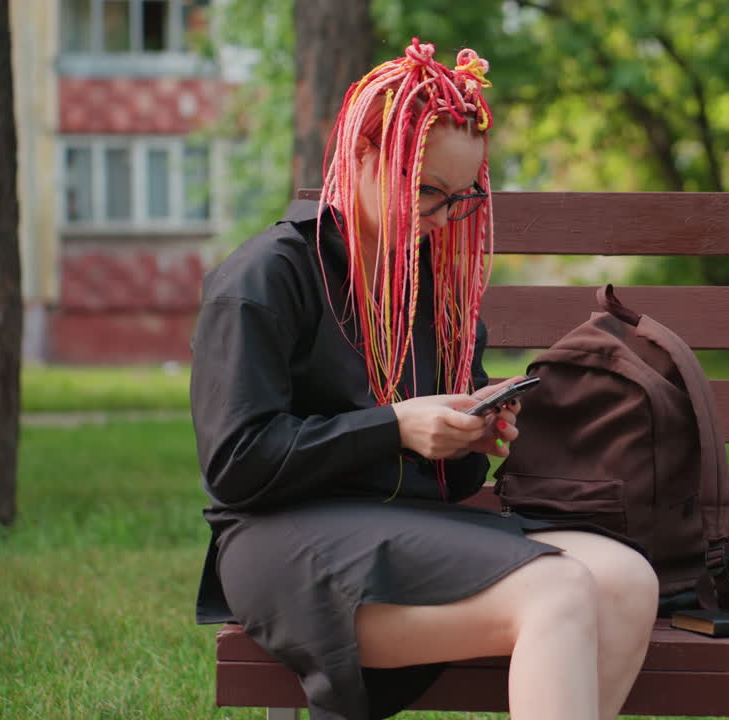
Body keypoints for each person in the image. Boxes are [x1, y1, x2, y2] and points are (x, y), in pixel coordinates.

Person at [190, 40, 659, 720]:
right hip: (282, 544)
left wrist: (470, 437)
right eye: (428, 190)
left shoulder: (431, 286)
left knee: (626, 581)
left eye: (461, 197)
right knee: (556, 589)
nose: (442, 217)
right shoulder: (267, 277)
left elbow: (453, 484)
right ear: (361, 159)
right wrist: (395, 427)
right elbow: (236, 465)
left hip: (404, 530)